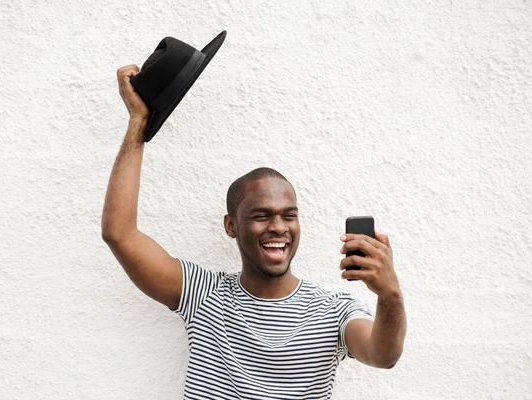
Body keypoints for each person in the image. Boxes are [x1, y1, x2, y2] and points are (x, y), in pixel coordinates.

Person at [102, 64, 407, 399]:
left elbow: (383, 355)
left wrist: (389, 294)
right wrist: (138, 122)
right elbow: (119, 233)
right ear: (231, 226)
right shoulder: (203, 295)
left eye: (289, 215)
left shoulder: (332, 311)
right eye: (261, 215)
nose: (278, 227)